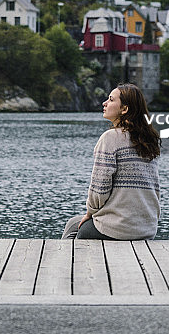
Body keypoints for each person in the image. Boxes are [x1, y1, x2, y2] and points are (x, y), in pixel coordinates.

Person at [62, 83, 160, 240]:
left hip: (119, 228)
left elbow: (99, 189)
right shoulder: (149, 141)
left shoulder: (110, 138)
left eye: (111, 99)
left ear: (124, 109)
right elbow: (155, 190)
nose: (104, 103)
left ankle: (67, 262)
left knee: (77, 229)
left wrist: (89, 213)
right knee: (74, 223)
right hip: (146, 228)